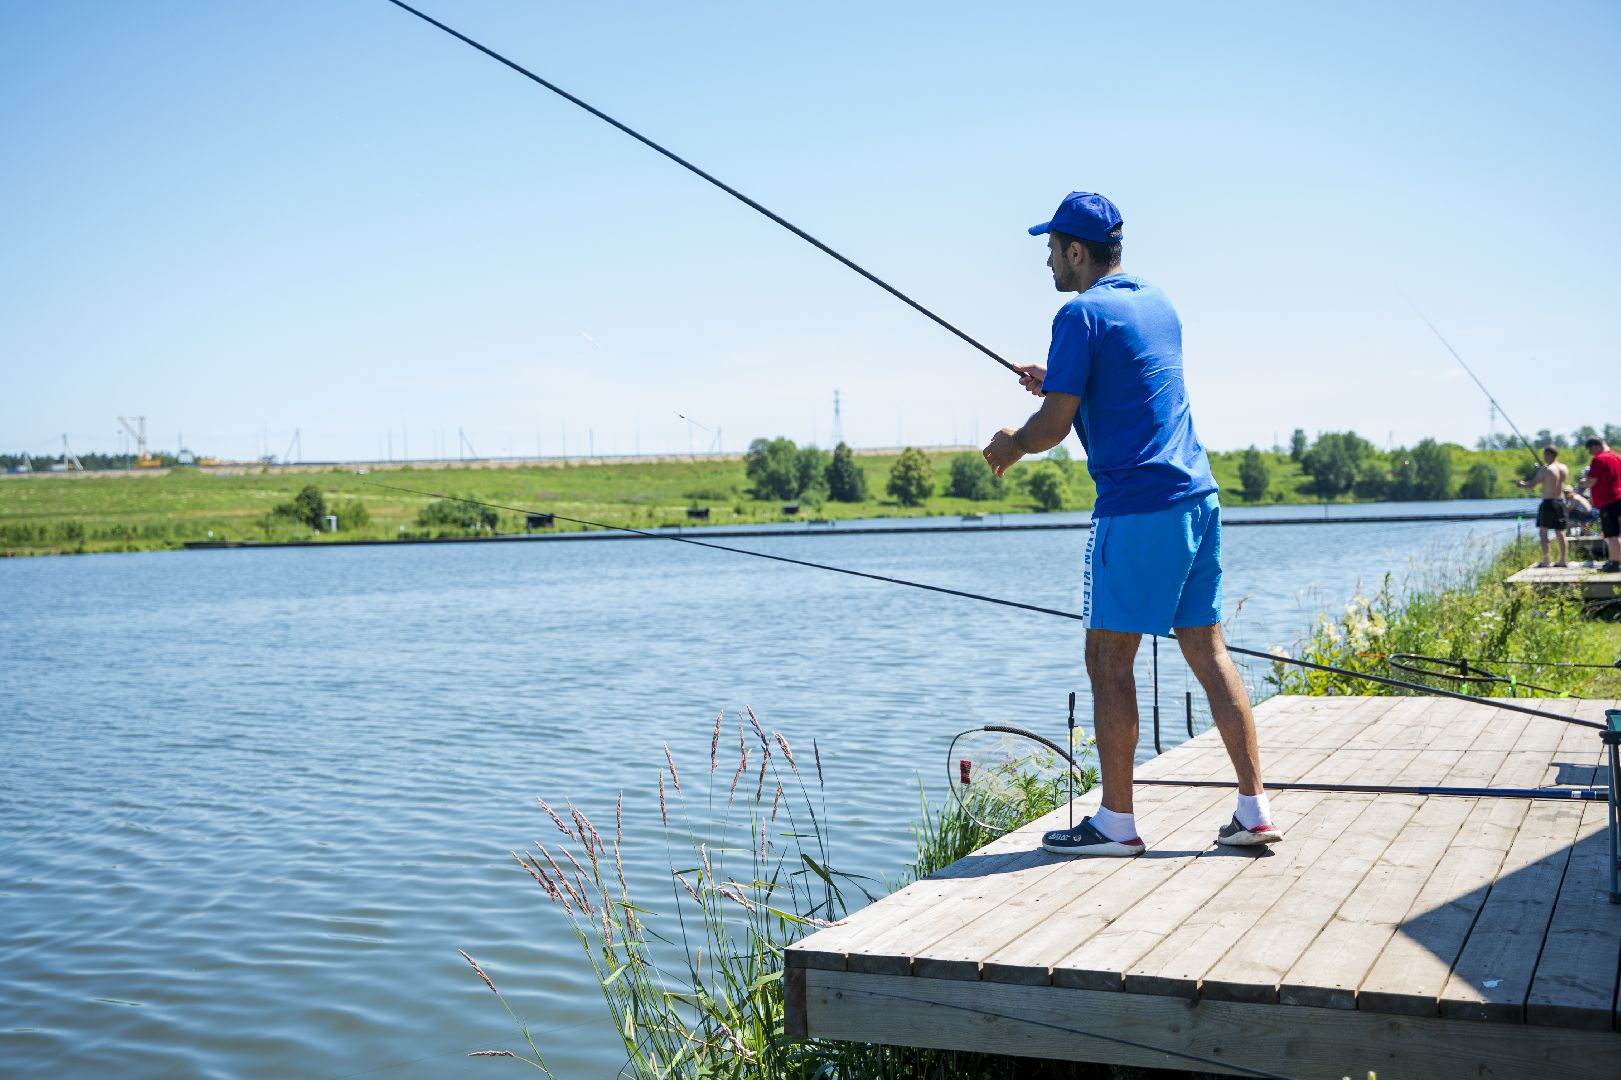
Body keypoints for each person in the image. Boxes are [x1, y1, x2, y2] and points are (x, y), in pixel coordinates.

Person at [982, 191, 1278, 857]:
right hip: (1196, 498)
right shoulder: (1156, 302)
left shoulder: (1077, 313)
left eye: (1052, 249)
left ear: (1077, 251)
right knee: (1207, 651)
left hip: (1137, 507)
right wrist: (1057, 376)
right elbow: (1121, 378)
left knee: (1108, 660)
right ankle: (1253, 809)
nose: (1047, 261)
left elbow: (1055, 427)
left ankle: (1115, 823)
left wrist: (1010, 441)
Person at [1515, 445, 1570, 567]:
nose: (1544, 457)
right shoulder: (1564, 468)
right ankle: (1563, 560)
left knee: (1543, 532)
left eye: (1545, 455)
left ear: (1549, 455)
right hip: (1560, 502)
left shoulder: (1546, 470)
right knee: (1560, 532)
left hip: (1548, 503)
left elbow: (1532, 484)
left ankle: (1546, 560)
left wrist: (1521, 484)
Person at [1575, 435, 1621, 572]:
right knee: (1617, 534)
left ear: (1595, 446)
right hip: (1618, 498)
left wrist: (1583, 482)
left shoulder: (1599, 459)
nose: (1590, 453)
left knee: (1611, 534)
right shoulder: (1618, 457)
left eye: (1590, 450)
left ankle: (1615, 562)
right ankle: (1616, 560)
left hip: (1609, 500)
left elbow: (1591, 481)